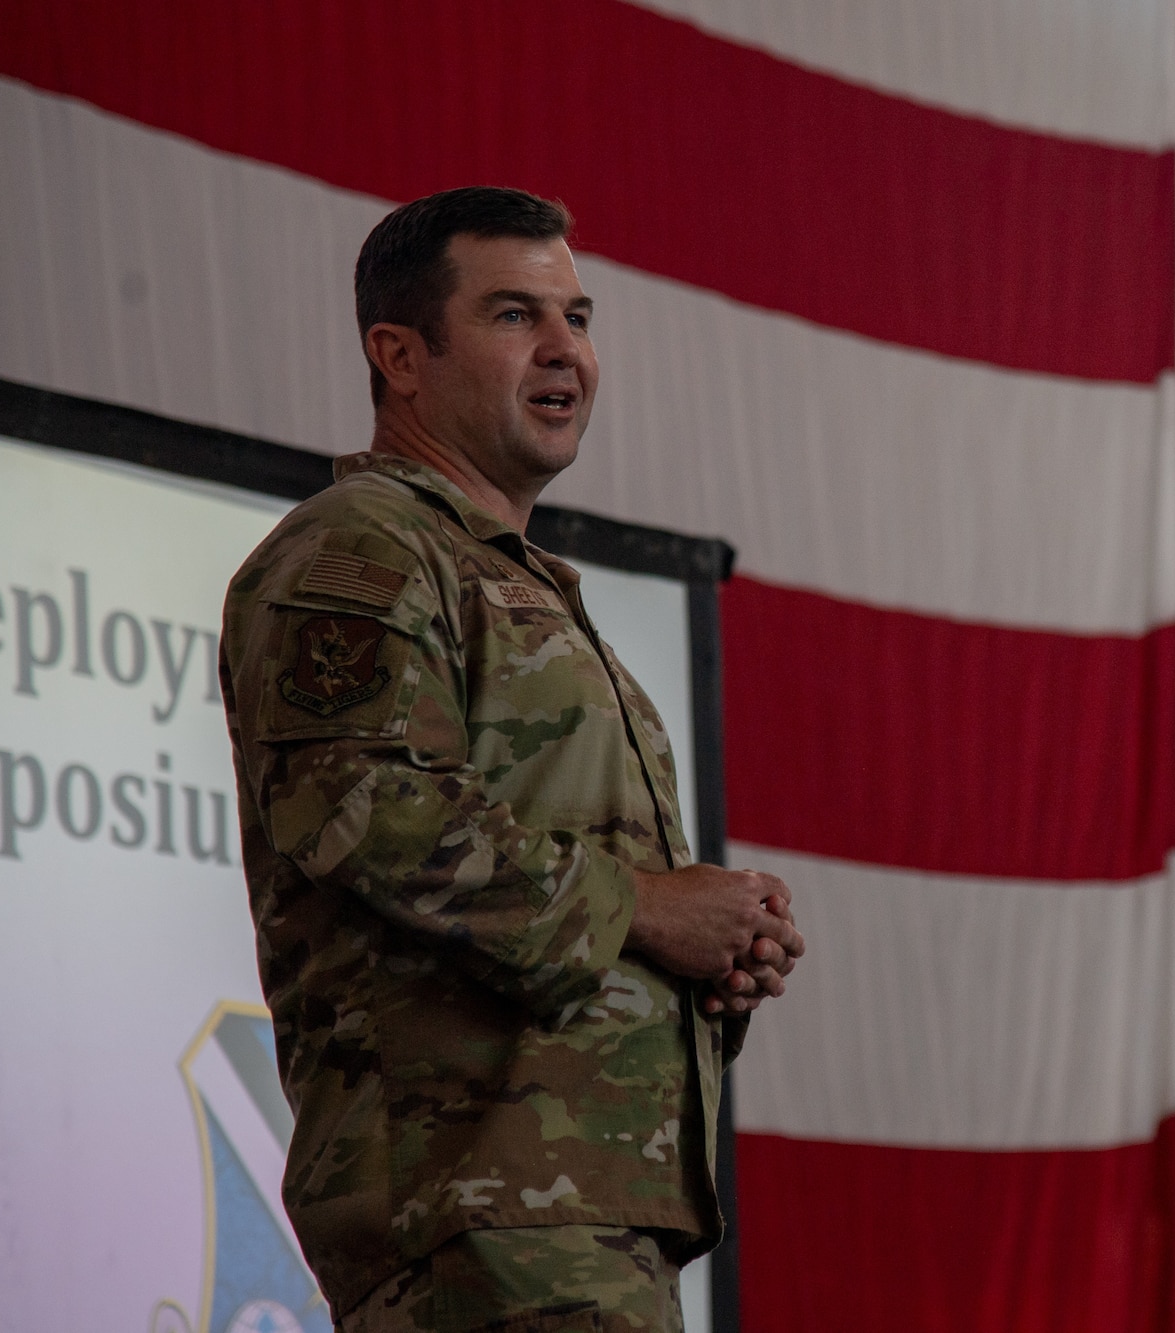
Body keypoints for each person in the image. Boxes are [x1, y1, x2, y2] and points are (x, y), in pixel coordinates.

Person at [219, 185, 804, 1333]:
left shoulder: (518, 580)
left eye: (577, 318)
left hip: (576, 1219)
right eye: (511, 315)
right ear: (399, 354)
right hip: (478, 1222)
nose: (564, 352)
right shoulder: (360, 547)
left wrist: (713, 949)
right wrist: (646, 909)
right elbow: (365, 811)